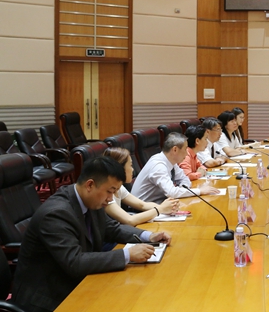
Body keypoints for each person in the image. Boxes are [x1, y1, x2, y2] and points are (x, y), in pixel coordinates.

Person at [13, 156, 172, 312]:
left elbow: (112, 228)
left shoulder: (90, 201)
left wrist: (149, 236)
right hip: (47, 297)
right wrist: (127, 254)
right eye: (109, 191)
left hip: (77, 281)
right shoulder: (56, 214)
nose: (110, 199)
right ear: (90, 185)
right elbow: (75, 262)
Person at [131, 132, 219, 204]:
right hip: (143, 210)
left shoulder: (171, 162)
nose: (186, 153)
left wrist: (181, 190)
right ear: (175, 150)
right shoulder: (158, 165)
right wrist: (199, 191)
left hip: (161, 204)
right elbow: (171, 193)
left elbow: (184, 179)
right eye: (185, 149)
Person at [103, 147, 180, 226]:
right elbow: (129, 220)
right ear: (120, 169)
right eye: (130, 165)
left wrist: (168, 207)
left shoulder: (120, 187)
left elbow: (142, 205)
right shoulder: (105, 194)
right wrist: (161, 209)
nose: (132, 169)